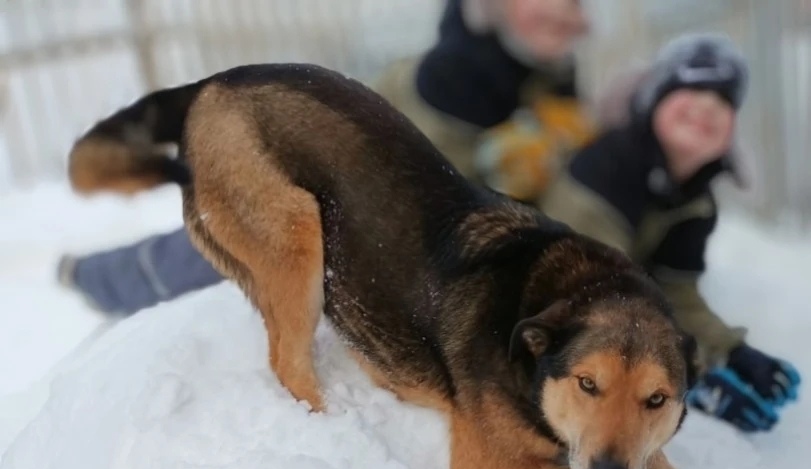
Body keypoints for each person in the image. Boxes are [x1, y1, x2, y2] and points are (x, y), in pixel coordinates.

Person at [56, 0, 595, 317]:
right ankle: (92, 277)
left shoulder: (551, 76)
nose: (562, 13)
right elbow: (423, 193)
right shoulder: (461, 73)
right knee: (204, 257)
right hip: (314, 189)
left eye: (572, 4)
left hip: (356, 220)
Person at [477, 32, 802, 433]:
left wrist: (732, 351)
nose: (707, 105)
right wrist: (692, 377)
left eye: (723, 99)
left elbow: (675, 291)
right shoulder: (603, 171)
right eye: (691, 89)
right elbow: (596, 305)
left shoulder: (694, 199)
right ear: (653, 100)